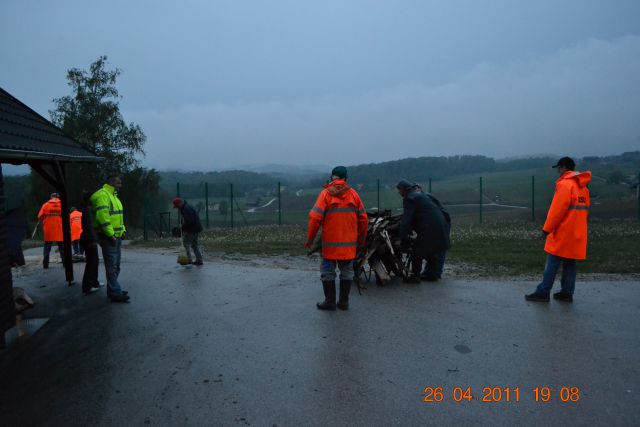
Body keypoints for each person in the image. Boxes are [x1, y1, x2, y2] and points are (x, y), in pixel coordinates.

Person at [525, 157, 591, 303]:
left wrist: (546, 229)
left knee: (552, 263)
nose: (558, 172)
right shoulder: (583, 188)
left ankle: (543, 292)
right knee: (570, 263)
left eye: (559, 168)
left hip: (563, 232)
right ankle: (567, 293)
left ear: (563, 167)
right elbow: (585, 211)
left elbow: (556, 211)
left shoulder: (565, 185)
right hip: (577, 233)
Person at [306, 166, 368, 311]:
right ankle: (344, 302)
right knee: (347, 272)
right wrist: (361, 239)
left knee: (328, 272)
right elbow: (364, 220)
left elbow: (314, 218)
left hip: (329, 246)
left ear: (332, 177)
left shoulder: (325, 194)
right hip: (348, 246)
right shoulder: (354, 195)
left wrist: (310, 239)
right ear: (346, 179)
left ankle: (330, 302)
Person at [395, 180, 450, 283]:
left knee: (417, 252)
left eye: (399, 190)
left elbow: (407, 219)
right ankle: (432, 275)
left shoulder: (410, 198)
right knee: (432, 250)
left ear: (404, 189)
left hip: (429, 227)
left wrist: (400, 238)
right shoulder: (422, 196)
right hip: (439, 224)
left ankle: (415, 277)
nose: (399, 193)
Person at [91, 175, 129, 303]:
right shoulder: (103, 195)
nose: (120, 185)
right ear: (111, 182)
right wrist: (110, 234)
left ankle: (113, 289)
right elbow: (103, 217)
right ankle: (115, 292)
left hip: (116, 236)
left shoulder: (114, 196)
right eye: (118, 183)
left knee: (116, 265)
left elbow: (119, 217)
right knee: (112, 266)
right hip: (108, 237)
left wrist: (122, 230)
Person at [172, 197, 204, 265]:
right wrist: (183, 225)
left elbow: (189, 221)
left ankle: (188, 260)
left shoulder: (186, 209)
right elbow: (187, 220)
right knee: (194, 245)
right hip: (196, 228)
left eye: (177, 206)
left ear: (180, 204)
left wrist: (183, 228)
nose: (177, 208)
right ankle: (199, 260)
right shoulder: (186, 207)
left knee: (185, 243)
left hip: (193, 229)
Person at [79, 193, 100, 294]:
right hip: (89, 239)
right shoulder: (88, 211)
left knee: (94, 261)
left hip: (88, 238)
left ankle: (94, 282)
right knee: (91, 262)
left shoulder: (88, 209)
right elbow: (89, 227)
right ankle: (87, 286)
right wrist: (93, 240)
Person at [37, 192, 64, 269]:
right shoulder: (62, 205)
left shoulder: (45, 205)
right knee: (62, 249)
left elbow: (40, 216)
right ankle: (65, 263)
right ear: (58, 197)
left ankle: (45, 265)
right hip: (59, 230)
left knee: (47, 249)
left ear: (51, 197)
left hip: (48, 230)